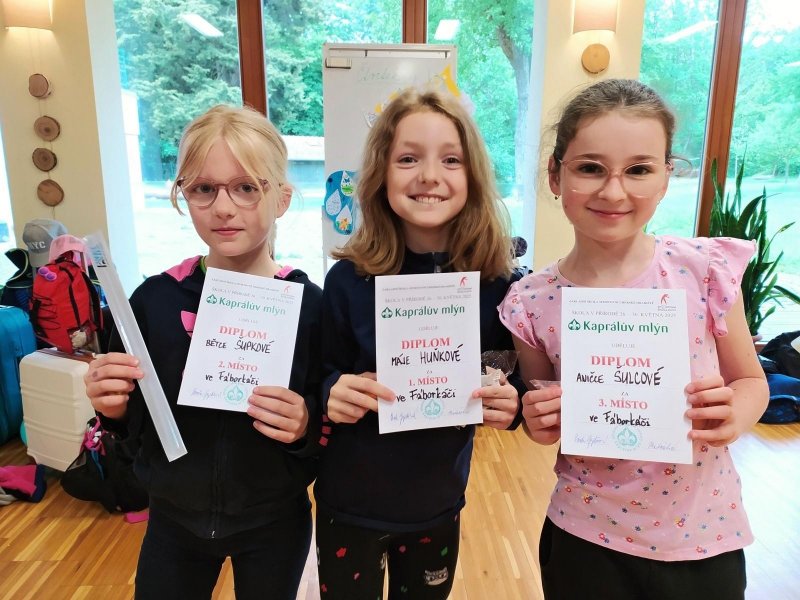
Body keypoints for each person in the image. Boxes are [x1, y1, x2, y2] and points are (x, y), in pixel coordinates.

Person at [498, 79, 769, 599]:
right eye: (590, 168)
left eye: (639, 169)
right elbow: (544, 422)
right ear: (555, 174)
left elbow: (751, 381)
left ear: (666, 176)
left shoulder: (703, 271)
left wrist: (735, 413)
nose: (613, 191)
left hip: (702, 533)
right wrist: (538, 418)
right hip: (585, 536)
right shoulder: (531, 301)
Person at [83, 105, 322, 600]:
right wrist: (114, 410)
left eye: (246, 187)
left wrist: (305, 424)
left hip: (275, 523)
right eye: (204, 188)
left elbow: (329, 420)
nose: (223, 208)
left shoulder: (309, 305)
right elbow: (132, 428)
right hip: (173, 523)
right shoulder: (153, 301)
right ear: (184, 195)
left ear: (281, 198)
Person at [314, 87, 526, 599]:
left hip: (438, 503)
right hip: (350, 505)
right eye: (408, 158)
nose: (429, 176)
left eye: (451, 160)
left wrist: (511, 402)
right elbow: (318, 372)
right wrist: (330, 391)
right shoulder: (348, 281)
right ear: (381, 175)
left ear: (473, 176)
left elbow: (508, 374)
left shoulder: (498, 285)